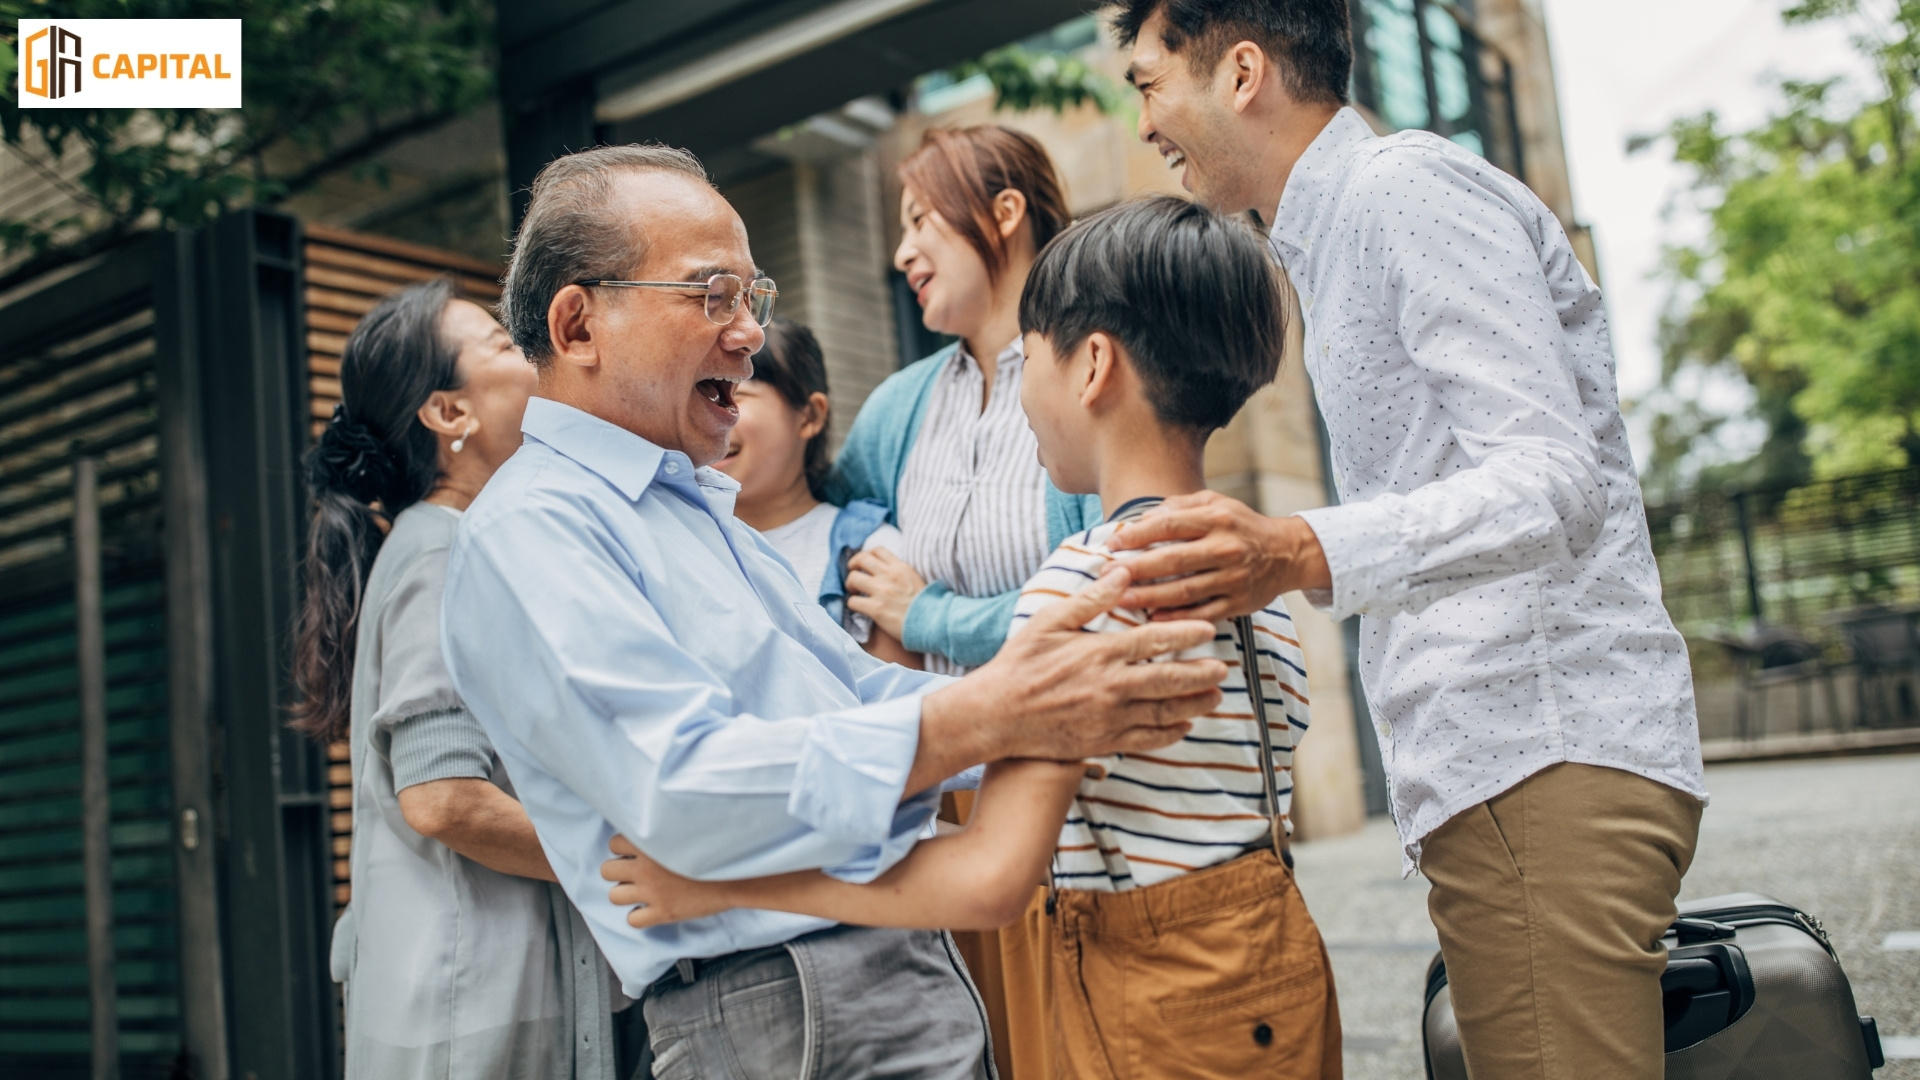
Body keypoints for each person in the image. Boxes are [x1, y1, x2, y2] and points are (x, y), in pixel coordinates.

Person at [437, 143, 1231, 1080]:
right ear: (578, 324)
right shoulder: (531, 529)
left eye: (752, 297)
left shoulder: (689, 503)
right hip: (780, 1002)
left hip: (869, 968)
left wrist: (1024, 689)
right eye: (712, 296)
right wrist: (996, 710)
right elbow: (682, 791)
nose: (746, 333)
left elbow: (851, 693)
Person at [1091, 4, 1709, 1078]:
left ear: (1242, 71)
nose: (1143, 122)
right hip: (1511, 770)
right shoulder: (1334, 233)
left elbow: (1552, 481)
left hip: (1539, 753)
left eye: (1149, 83)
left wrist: (1292, 549)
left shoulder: (1401, 190)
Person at [600, 196, 1342, 1080]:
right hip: (1279, 965)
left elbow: (992, 879)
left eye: (1031, 356)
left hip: (1151, 1002)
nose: (1018, 388)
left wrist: (719, 888)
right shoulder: (1256, 579)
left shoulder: (1080, 584)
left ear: (1093, 366)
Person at [293, 279, 627, 1079]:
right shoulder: (442, 551)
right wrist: (625, 862)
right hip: (475, 1013)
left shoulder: (459, 543)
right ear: (449, 413)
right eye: (506, 347)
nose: (534, 356)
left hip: (480, 1003)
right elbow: (441, 796)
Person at [826, 126, 1102, 676]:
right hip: (940, 755)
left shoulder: (1094, 378)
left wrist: (929, 617)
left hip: (1076, 749)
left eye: (919, 220)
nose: (903, 253)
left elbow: (1104, 592)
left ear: (1005, 213)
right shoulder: (895, 408)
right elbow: (825, 524)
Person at [715, 316, 918, 665]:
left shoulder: (864, 555)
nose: (716, 413)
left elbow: (901, 706)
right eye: (706, 391)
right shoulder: (678, 536)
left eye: (738, 393)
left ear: (809, 416)